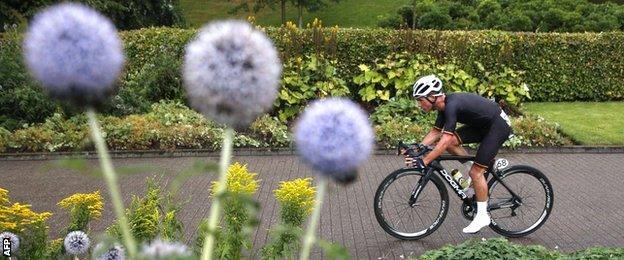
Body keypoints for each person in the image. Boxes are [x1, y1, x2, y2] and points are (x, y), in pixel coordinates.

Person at [405, 74, 512, 234]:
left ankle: (482, 216)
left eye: (420, 100)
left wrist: (425, 160)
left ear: (432, 97)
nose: (419, 104)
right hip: (483, 124)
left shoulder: (451, 105)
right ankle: (481, 169)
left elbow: (445, 139)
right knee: (453, 144)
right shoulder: (442, 107)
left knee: (475, 172)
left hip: (498, 126)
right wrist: (417, 148)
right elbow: (435, 133)